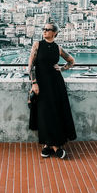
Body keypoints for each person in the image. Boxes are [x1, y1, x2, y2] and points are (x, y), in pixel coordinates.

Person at [28, 22, 77, 159]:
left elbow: (72, 61)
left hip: (56, 84)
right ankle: (50, 146)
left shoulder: (58, 48)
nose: (44, 31)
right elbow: (30, 65)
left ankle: (52, 146)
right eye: (43, 28)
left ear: (54, 33)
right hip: (41, 84)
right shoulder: (37, 45)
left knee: (56, 113)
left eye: (47, 29)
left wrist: (61, 69)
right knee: (44, 113)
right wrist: (34, 83)